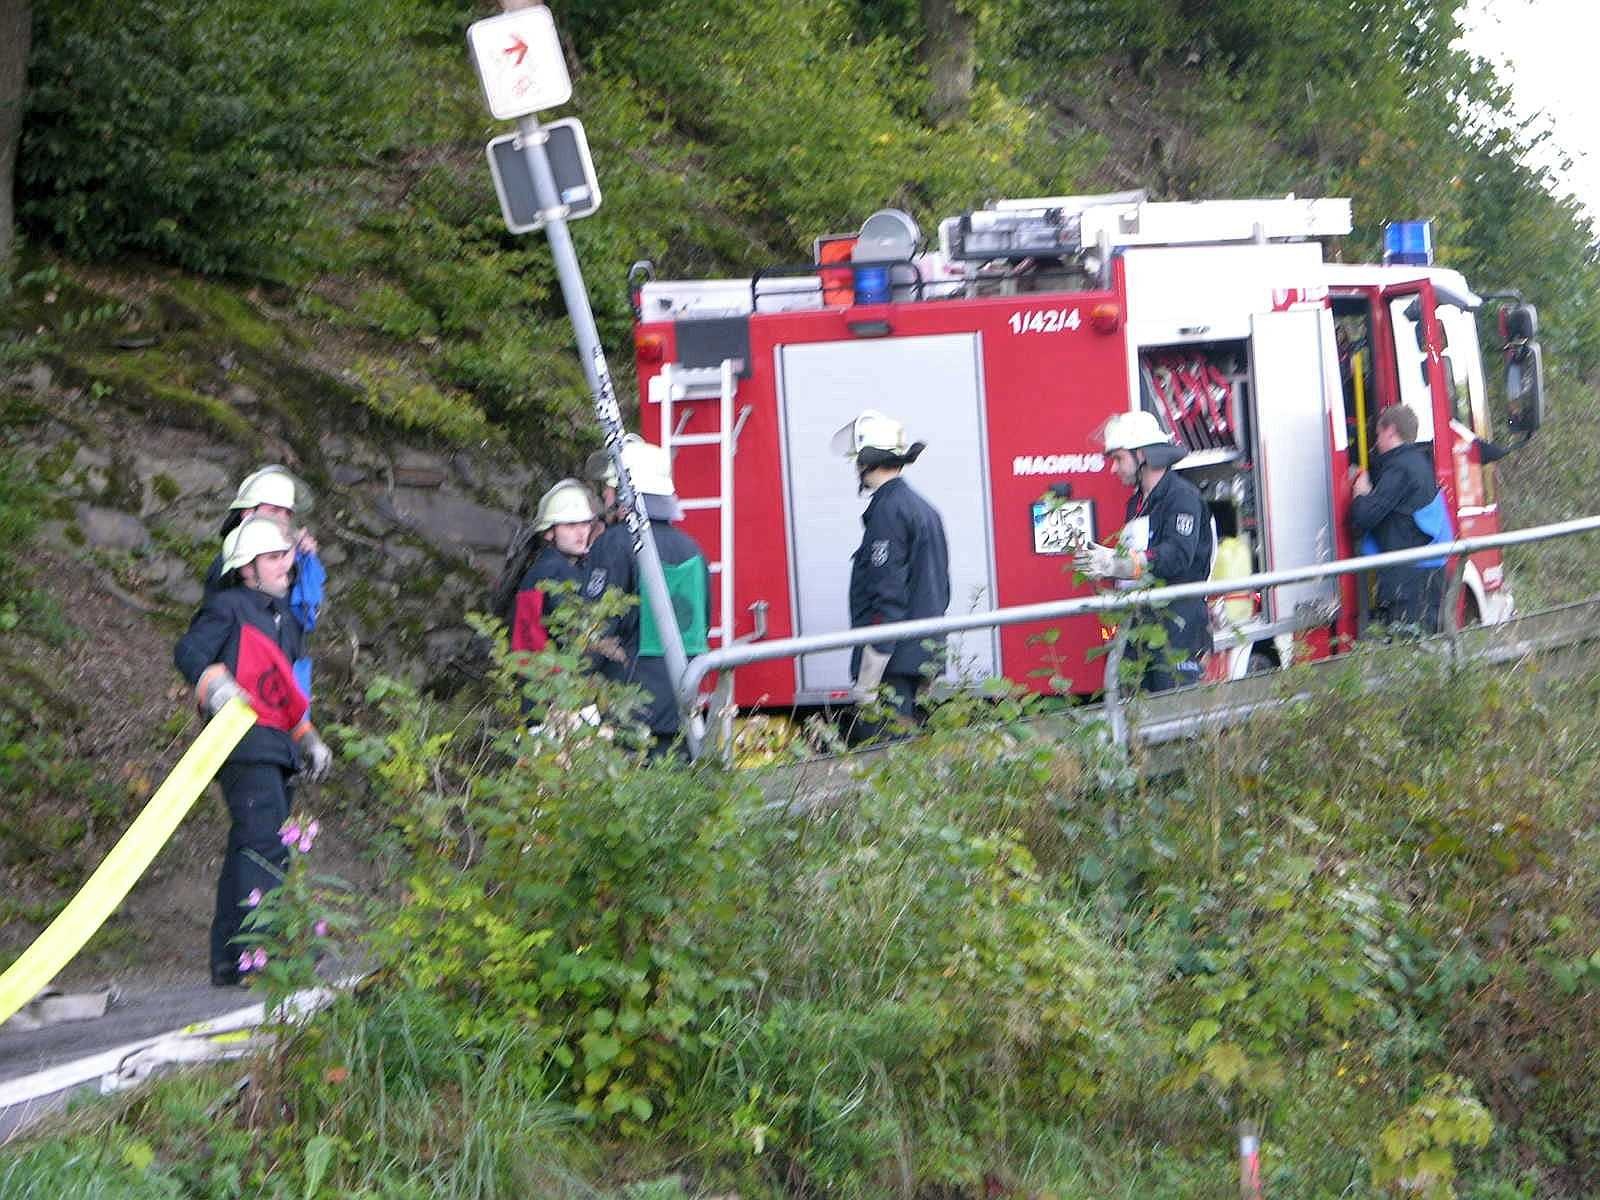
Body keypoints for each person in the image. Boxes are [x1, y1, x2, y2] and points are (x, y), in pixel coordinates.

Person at [175, 518, 333, 987]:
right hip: (242, 743)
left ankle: (230, 963)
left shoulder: (283, 619)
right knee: (264, 844)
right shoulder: (228, 606)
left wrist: (307, 736)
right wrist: (216, 685)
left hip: (277, 746)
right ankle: (259, 953)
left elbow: (283, 692)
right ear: (247, 569)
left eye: (285, 555)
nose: (287, 564)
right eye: (273, 558)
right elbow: (188, 653)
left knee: (252, 843)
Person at [583, 438, 711, 758]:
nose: (604, 495)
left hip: (628, 709)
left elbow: (597, 629)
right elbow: (702, 625)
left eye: (610, 487)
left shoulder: (614, 544)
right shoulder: (693, 549)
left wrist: (575, 691)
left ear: (625, 493)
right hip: (681, 702)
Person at [1075, 410, 1213, 692]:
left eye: (1118, 458)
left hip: (1177, 627)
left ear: (1143, 456)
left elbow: (1176, 556)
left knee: (1174, 713)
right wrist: (1107, 562)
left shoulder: (1181, 498)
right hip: (1140, 624)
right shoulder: (1137, 503)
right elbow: (1140, 558)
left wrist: (1118, 564)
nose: (1113, 469)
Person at [831, 409, 951, 735]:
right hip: (920, 656)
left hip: (892, 664)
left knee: (881, 759)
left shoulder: (887, 512)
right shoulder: (923, 508)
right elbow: (938, 589)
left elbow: (889, 597)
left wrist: (870, 676)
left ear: (866, 461)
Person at [206, 466, 325, 703]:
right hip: (242, 688)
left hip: (286, 678)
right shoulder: (232, 565)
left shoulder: (286, 561)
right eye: (274, 510)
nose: (282, 520)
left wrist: (299, 558)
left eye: (287, 513)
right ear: (248, 513)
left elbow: (306, 616)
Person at [1350, 404, 1447, 633]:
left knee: (1408, 651)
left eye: (1377, 434)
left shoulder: (1400, 469)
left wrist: (1360, 495)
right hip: (1423, 578)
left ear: (1390, 431)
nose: (1375, 442)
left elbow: (1363, 517)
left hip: (1411, 584)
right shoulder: (1417, 463)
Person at [511, 478, 603, 655]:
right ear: (549, 532)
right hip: (554, 675)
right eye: (570, 525)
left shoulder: (545, 566)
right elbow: (577, 636)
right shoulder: (556, 571)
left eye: (584, 523)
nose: (581, 532)